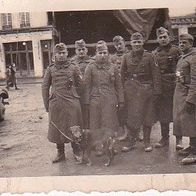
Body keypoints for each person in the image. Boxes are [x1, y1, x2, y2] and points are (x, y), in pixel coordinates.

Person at [42, 43, 83, 163]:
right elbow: (45, 87)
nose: (61, 55)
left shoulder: (73, 67)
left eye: (63, 53)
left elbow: (81, 84)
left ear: (67, 53)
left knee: (74, 126)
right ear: (55, 55)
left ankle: (76, 151)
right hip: (56, 103)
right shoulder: (50, 69)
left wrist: (75, 94)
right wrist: (47, 104)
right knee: (57, 128)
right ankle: (60, 153)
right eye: (58, 53)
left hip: (71, 102)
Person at [121, 32, 161, 152]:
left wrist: (156, 92)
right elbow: (122, 75)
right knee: (132, 116)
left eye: (139, 42)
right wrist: (123, 92)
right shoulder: (126, 57)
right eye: (134, 42)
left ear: (142, 42)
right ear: (131, 43)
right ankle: (131, 141)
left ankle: (147, 141)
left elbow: (156, 75)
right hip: (131, 91)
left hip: (147, 89)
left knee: (147, 116)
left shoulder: (150, 56)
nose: (137, 44)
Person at [84, 40, 124, 134]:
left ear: (108, 54)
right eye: (100, 53)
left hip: (110, 100)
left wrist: (121, 100)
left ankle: (109, 146)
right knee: (95, 125)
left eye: (105, 53)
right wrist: (86, 102)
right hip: (95, 100)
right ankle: (97, 146)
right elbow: (86, 86)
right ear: (96, 53)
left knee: (109, 125)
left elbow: (119, 85)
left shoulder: (113, 67)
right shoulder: (90, 67)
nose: (102, 55)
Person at [153, 27, 182, 149]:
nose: (163, 39)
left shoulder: (176, 51)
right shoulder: (155, 53)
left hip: (175, 85)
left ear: (169, 37)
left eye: (165, 37)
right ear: (157, 39)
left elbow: (180, 68)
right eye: (160, 37)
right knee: (163, 113)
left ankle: (179, 139)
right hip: (162, 87)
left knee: (177, 114)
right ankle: (165, 138)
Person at [173, 34, 196, 164]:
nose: (181, 45)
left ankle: (194, 152)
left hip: (189, 94)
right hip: (180, 92)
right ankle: (192, 146)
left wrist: (191, 99)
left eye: (184, 43)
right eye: (180, 43)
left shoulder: (193, 57)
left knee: (192, 122)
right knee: (184, 121)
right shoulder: (183, 56)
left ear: (191, 44)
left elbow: (195, 80)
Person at [71, 39, 93, 129]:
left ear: (86, 50)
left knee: (90, 116)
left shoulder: (92, 62)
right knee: (77, 117)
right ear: (76, 51)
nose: (81, 51)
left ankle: (89, 136)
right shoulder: (72, 63)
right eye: (79, 50)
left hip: (90, 93)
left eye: (83, 49)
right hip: (77, 94)